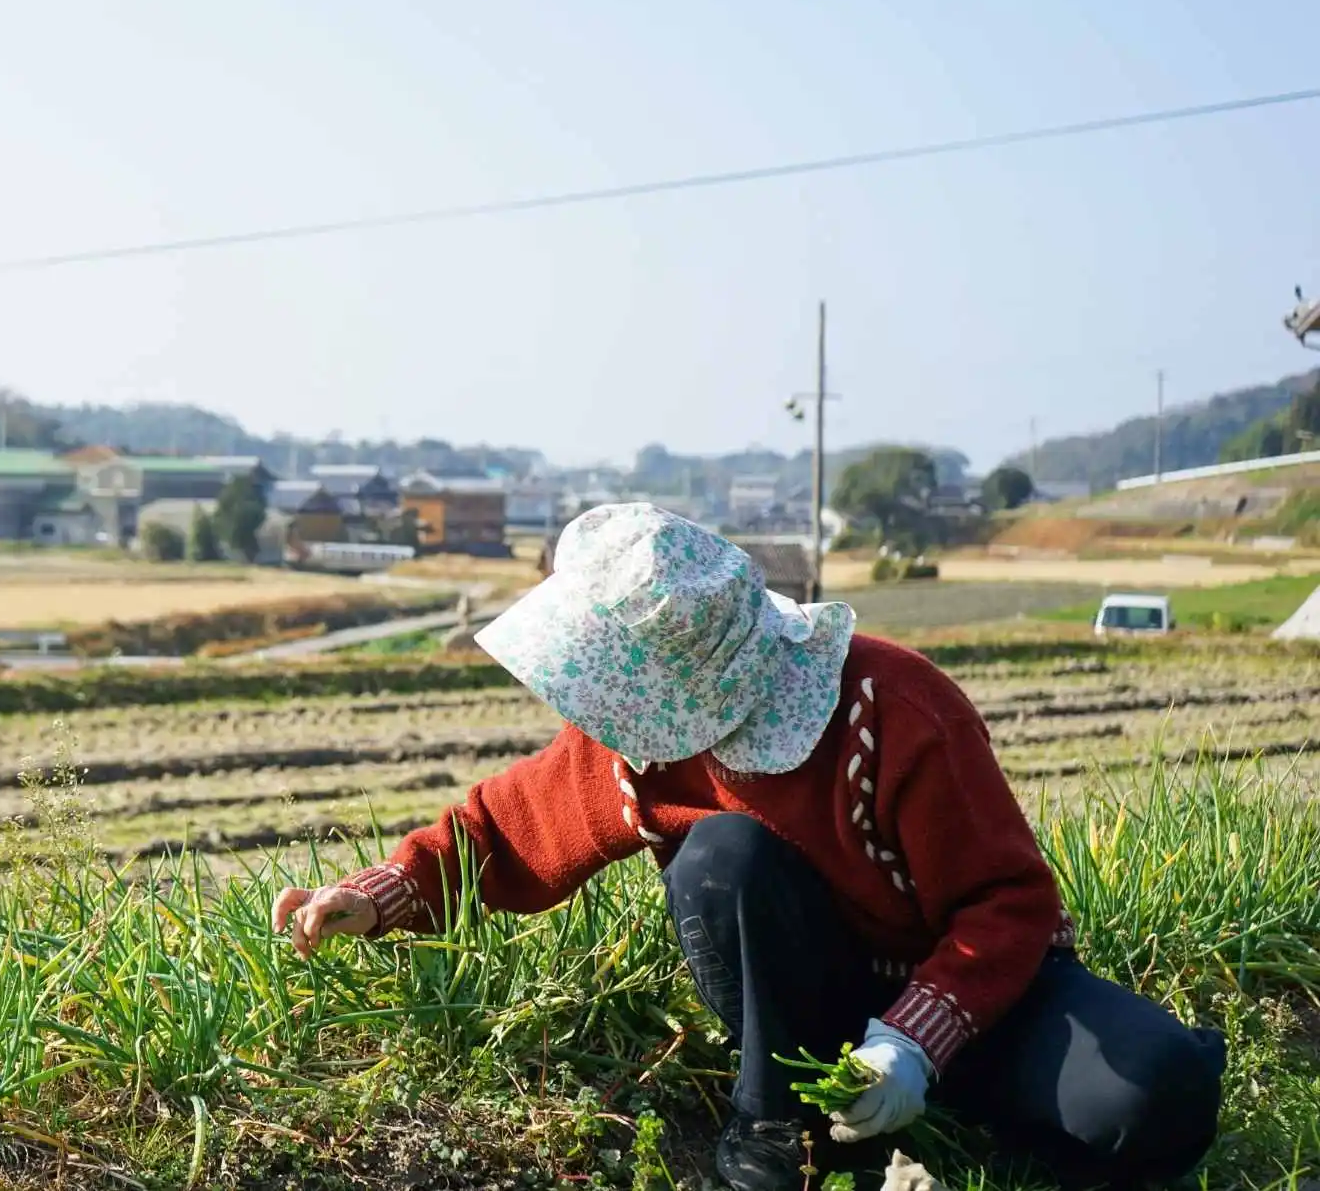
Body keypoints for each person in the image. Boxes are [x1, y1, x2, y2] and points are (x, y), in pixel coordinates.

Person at [273, 504, 1226, 1190]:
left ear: (695, 669)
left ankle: (956, 1112)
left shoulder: (895, 710)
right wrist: (379, 893)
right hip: (806, 1015)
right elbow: (504, 828)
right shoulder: (646, 734)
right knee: (723, 855)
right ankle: (779, 1124)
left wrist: (913, 1044)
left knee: (1157, 1095)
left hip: (978, 1001)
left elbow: (1008, 907)